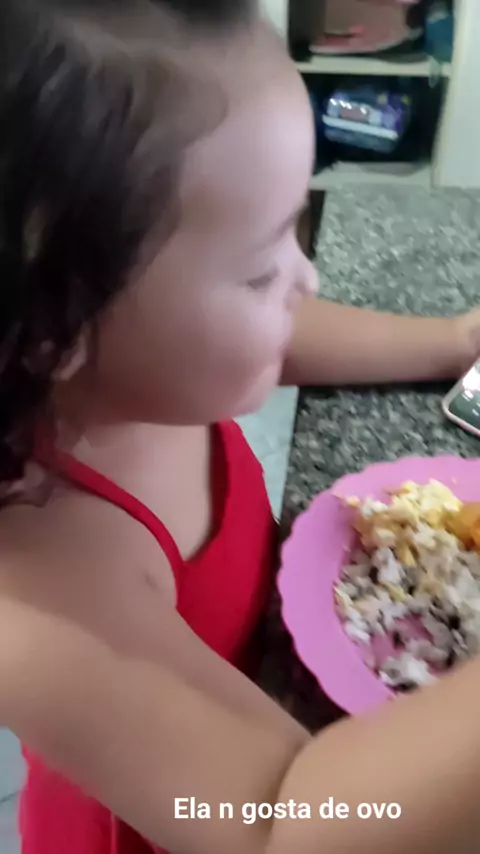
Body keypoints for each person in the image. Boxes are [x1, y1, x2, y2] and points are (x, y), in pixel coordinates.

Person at [1, 2, 480, 853]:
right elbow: (281, 828)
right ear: (56, 331)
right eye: (262, 269)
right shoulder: (42, 591)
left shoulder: (130, 372)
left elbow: (280, 334)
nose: (307, 277)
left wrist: (452, 339)